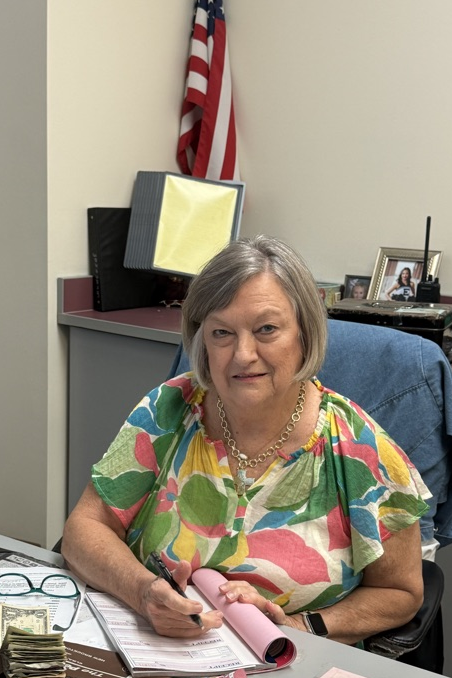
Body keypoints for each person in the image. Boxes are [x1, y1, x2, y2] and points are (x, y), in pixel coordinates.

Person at [62, 236, 429, 645]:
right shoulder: (168, 410)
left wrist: (300, 626)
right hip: (157, 650)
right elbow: (84, 529)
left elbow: (401, 594)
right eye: (222, 333)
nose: (243, 354)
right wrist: (144, 592)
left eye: (266, 329)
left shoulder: (360, 449)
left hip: (286, 668)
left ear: (305, 333)